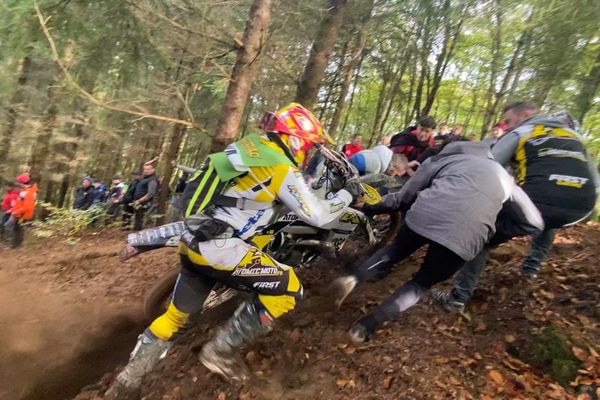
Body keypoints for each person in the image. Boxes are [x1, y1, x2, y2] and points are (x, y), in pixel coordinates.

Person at [104, 103, 363, 400]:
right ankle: (220, 351)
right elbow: (317, 214)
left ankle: (124, 384)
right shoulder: (280, 165)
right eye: (311, 146)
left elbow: (241, 193)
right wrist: (348, 193)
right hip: (221, 249)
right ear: (296, 140)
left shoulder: (250, 147)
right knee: (289, 289)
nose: (311, 153)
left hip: (194, 243)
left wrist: (143, 239)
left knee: (175, 318)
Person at [333, 141, 544, 343]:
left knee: (394, 252)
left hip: (426, 215)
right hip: (467, 237)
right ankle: (364, 327)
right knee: (419, 284)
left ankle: (353, 279)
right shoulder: (504, 177)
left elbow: (403, 198)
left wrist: (371, 206)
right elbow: (534, 222)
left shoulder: (446, 159)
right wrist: (490, 234)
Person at [433, 102, 599, 312]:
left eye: (509, 122)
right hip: (582, 207)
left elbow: (486, 167)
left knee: (481, 236)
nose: (507, 127)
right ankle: (531, 270)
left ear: (527, 114)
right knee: (548, 215)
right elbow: (595, 180)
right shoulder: (573, 136)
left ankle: (457, 298)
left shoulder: (522, 132)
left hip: (539, 203)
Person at [4, 174, 38, 248]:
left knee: (18, 229)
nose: (18, 184)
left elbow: (26, 207)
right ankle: (15, 245)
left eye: (19, 182)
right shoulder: (25, 191)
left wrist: (15, 212)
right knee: (17, 228)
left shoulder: (29, 193)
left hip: (23, 214)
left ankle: (16, 246)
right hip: (19, 213)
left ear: (23, 183)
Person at [130, 163, 159, 231]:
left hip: (145, 204)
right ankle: (135, 236)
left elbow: (150, 193)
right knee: (137, 220)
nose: (146, 171)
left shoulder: (152, 180)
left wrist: (139, 201)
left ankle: (139, 236)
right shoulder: (144, 178)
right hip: (138, 203)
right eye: (145, 169)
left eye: (148, 169)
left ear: (153, 170)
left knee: (141, 221)